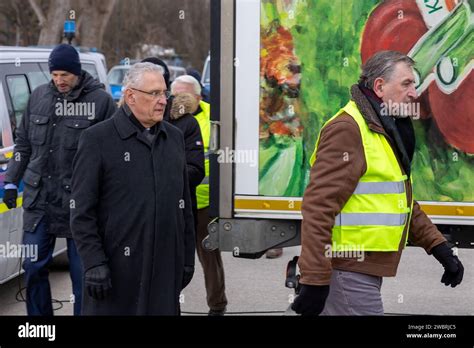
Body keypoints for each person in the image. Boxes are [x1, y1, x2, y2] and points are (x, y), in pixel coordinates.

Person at [292, 51, 464, 316]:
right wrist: (315, 279)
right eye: (406, 83)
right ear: (380, 86)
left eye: (414, 84)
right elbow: (318, 208)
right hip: (347, 269)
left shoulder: (382, 128)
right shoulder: (349, 129)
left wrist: (438, 246)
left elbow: (400, 200)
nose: (414, 92)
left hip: (360, 270)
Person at [70, 62, 195, 315]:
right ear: (130, 96)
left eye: (165, 93)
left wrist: (186, 259)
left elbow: (184, 207)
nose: (163, 101)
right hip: (115, 276)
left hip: (163, 275)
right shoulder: (97, 139)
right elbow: (81, 211)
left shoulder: (173, 139)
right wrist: (94, 263)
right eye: (154, 94)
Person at [2, 43, 116, 316]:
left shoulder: (100, 103)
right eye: (55, 75)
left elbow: (113, 153)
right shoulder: (39, 96)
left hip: (79, 204)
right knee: (33, 268)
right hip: (39, 200)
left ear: (76, 72)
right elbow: (24, 144)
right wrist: (10, 180)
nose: (59, 80)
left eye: (65, 74)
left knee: (83, 276)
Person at [171, 75, 228, 316]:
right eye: (174, 95)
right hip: (175, 200)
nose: (179, 100)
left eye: (184, 95)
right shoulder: (167, 115)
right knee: (171, 256)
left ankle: (217, 305)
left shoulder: (212, 117)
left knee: (209, 256)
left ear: (198, 96)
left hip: (204, 200)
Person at [169, 93, 205, 229]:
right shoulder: (127, 120)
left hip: (184, 207)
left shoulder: (187, 122)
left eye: (160, 92)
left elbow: (196, 169)